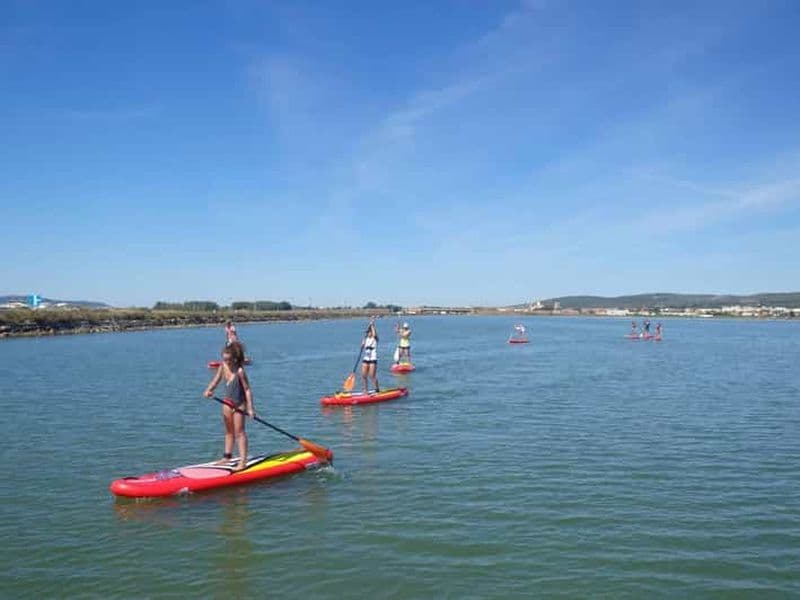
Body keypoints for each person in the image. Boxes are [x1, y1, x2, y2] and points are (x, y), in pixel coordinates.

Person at [203, 341, 255, 471]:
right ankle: (227, 456)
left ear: (235, 359)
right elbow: (216, 380)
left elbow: (247, 390)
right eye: (224, 359)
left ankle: (243, 461)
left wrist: (250, 408)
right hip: (227, 403)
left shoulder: (240, 371)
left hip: (239, 405)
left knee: (240, 433)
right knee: (228, 432)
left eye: (228, 359)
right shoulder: (222, 367)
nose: (226, 361)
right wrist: (209, 390)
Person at [361, 321, 380, 394]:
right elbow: (362, 347)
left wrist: (372, 325)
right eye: (367, 332)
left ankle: (377, 389)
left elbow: (375, 333)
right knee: (363, 375)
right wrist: (362, 345)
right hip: (366, 358)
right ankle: (365, 391)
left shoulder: (375, 339)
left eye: (370, 332)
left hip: (373, 359)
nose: (369, 333)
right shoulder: (365, 339)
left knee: (372, 375)